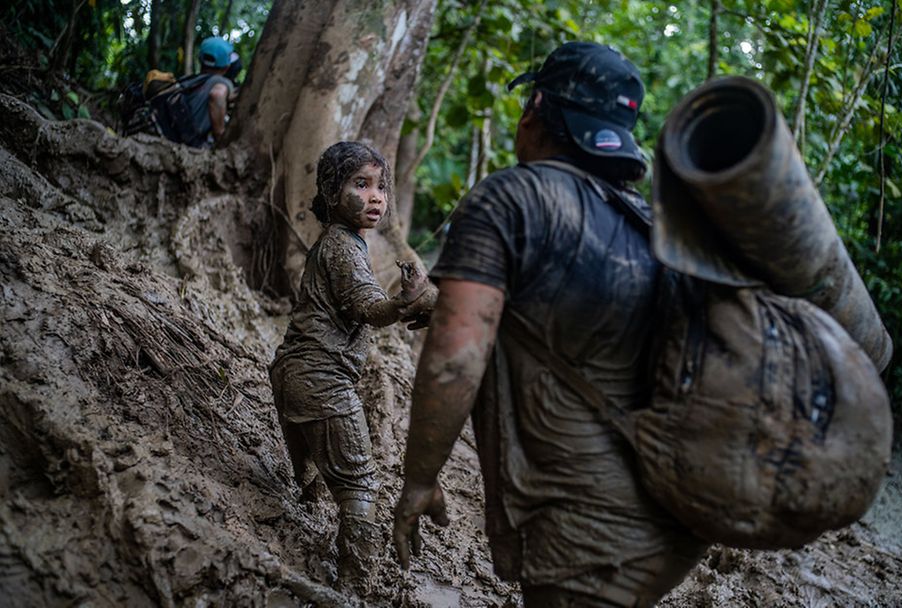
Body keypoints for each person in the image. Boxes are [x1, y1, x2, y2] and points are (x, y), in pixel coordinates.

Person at [393, 42, 708, 606]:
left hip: (585, 526)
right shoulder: (660, 227)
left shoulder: (511, 200)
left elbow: (455, 358)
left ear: (535, 106)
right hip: (679, 516)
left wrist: (419, 477)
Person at [270, 141, 435, 591]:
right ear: (330, 191)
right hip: (320, 380)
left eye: (381, 186)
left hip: (290, 371)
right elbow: (366, 306)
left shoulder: (340, 243)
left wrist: (413, 303)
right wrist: (402, 302)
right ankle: (353, 587)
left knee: (310, 477)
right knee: (360, 486)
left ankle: (285, 531)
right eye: (361, 185)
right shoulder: (344, 247)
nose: (377, 197)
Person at [181, 36, 235, 147]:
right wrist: (220, 135)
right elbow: (217, 94)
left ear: (200, 59)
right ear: (227, 66)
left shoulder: (186, 81)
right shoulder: (222, 82)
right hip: (193, 146)